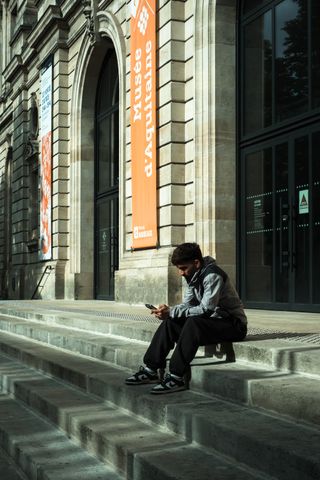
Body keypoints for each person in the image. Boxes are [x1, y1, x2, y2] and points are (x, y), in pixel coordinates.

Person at [125, 242, 247, 394]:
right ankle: (150, 370)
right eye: (179, 269)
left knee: (194, 322)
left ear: (196, 263)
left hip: (234, 325)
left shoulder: (212, 275)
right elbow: (187, 305)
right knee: (171, 322)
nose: (181, 273)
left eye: (183, 268)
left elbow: (205, 310)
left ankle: (176, 376)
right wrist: (168, 311)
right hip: (212, 323)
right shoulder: (193, 275)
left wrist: (172, 312)